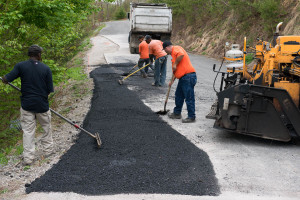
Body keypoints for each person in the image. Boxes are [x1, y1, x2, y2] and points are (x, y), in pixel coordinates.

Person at [2, 45, 54, 165]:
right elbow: (49, 90)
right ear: (39, 55)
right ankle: (48, 151)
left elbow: (7, 79)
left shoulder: (20, 66)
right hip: (42, 104)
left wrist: (4, 79)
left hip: (27, 105)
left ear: (29, 55)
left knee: (28, 131)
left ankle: (28, 158)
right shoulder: (46, 69)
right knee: (46, 128)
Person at [163, 41, 197, 123]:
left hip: (188, 76)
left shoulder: (176, 48)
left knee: (189, 97)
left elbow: (181, 54)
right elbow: (175, 72)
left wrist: (175, 64)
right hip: (183, 78)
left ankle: (191, 117)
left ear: (167, 47)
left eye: (164, 50)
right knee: (178, 96)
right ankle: (177, 113)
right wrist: (171, 81)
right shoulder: (173, 56)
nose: (165, 52)